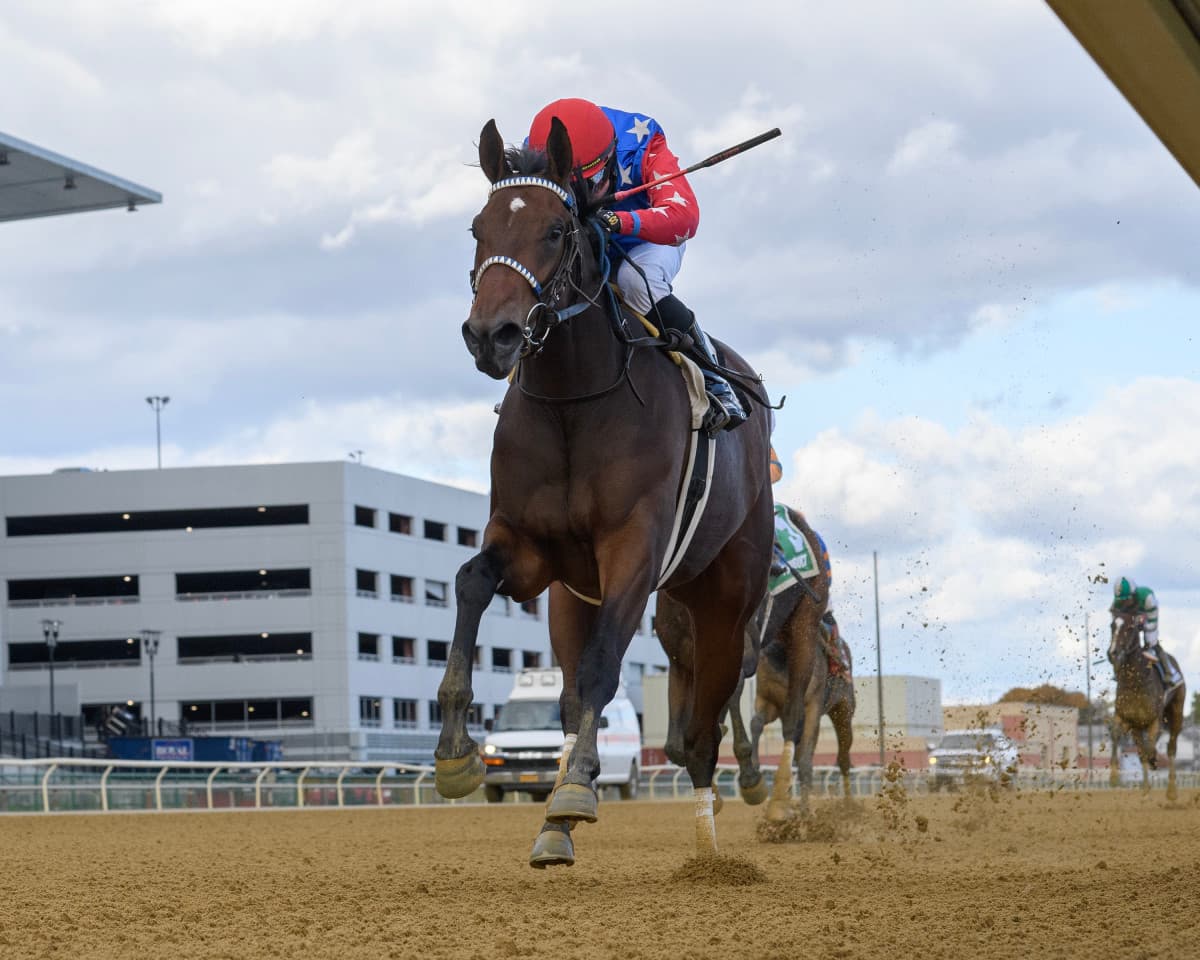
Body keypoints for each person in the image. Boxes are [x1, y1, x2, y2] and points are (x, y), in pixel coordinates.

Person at [527, 98, 747, 434]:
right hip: (579, 238)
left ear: (612, 154)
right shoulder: (538, 149)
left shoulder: (642, 142)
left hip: (646, 239)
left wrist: (620, 221)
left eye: (591, 179)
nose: (580, 194)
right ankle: (523, 382)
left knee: (634, 281)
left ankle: (715, 379)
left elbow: (685, 217)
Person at [1111, 576, 1182, 686]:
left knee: (1151, 642)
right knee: (1122, 645)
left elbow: (1153, 620)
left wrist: (1143, 625)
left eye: (1127, 599)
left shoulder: (1147, 597)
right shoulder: (1117, 603)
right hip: (1130, 621)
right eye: (1122, 600)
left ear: (1133, 594)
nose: (1125, 603)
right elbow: (1117, 623)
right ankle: (1119, 671)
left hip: (1148, 618)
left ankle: (1170, 672)